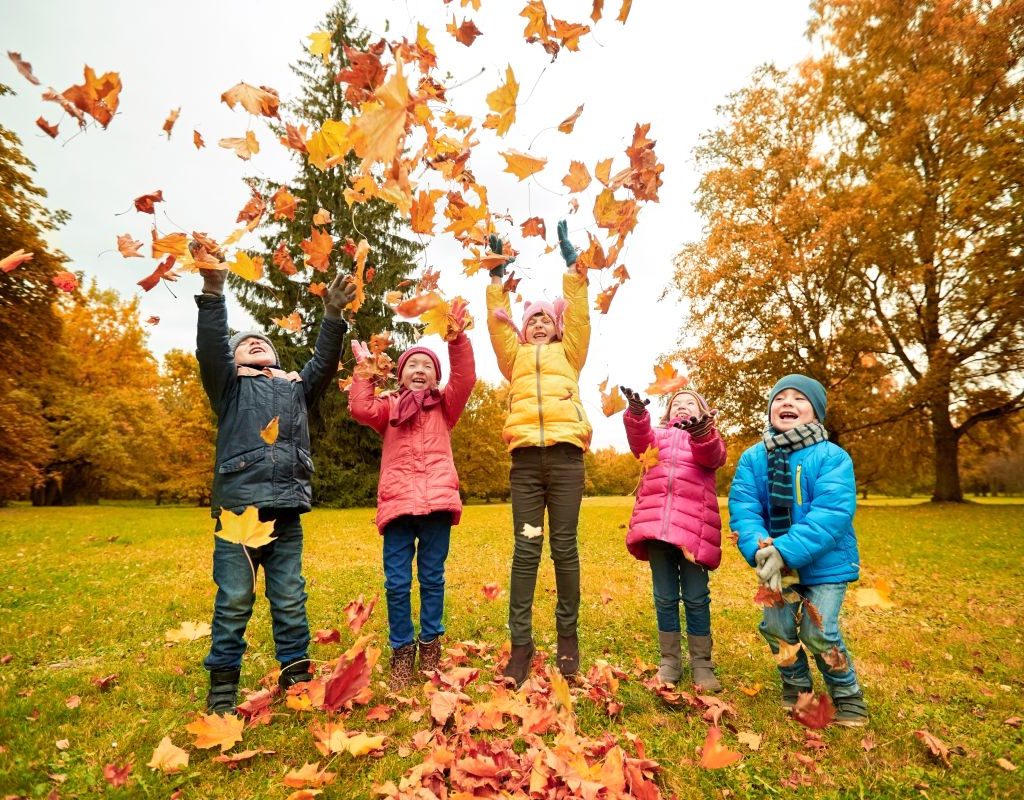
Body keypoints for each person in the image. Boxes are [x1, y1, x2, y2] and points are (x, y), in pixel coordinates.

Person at [195, 258, 353, 714]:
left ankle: (297, 675)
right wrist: (212, 291)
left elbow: (323, 362)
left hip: (285, 513)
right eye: (246, 343)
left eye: (263, 342)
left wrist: (333, 317)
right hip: (239, 515)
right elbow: (210, 348)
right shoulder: (227, 386)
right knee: (234, 600)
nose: (257, 342)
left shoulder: (295, 389)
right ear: (234, 358)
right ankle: (223, 687)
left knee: (288, 596)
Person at [484, 220, 592, 687]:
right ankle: (522, 645)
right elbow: (497, 326)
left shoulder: (571, 354)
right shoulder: (515, 358)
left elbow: (582, 316)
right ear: (524, 330)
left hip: (566, 462)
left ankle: (567, 638)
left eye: (547, 318)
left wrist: (573, 268)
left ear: (558, 325)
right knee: (526, 551)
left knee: (564, 548)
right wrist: (495, 277)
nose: (540, 324)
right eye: (532, 320)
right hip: (526, 464)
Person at [348, 300, 475, 689]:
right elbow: (359, 406)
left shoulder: (445, 405)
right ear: (401, 376)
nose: (420, 371)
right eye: (412, 366)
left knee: (433, 578)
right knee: (397, 583)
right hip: (399, 506)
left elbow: (465, 378)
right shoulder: (388, 408)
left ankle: (430, 644)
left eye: (427, 367)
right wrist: (367, 370)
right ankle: (402, 649)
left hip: (437, 503)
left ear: (435, 377)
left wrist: (456, 340)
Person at [729, 374, 868, 727]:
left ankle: (847, 694)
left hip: (825, 565)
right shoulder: (753, 458)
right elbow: (745, 509)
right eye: (780, 398)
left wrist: (785, 551)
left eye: (799, 398)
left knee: (819, 632)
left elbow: (831, 513)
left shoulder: (832, 457)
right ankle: (796, 688)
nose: (787, 403)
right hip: (774, 565)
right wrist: (760, 549)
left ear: (816, 413)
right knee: (777, 628)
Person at [620, 387, 727, 690]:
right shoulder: (656, 438)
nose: (682, 407)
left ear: (704, 413)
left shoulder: (708, 438)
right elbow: (639, 442)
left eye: (690, 403)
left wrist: (702, 432)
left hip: (694, 531)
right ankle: (670, 661)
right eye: (676, 404)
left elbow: (713, 456)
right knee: (665, 597)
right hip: (657, 529)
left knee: (695, 597)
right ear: (666, 413)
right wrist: (638, 415)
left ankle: (702, 664)